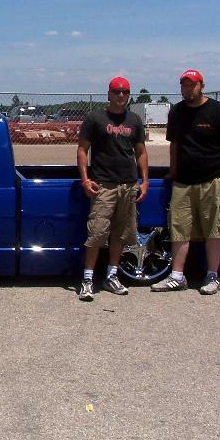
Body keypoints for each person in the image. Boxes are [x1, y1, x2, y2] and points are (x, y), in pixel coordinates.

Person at [151, 69, 220, 295]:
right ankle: (177, 276)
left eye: (192, 85)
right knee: (179, 229)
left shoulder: (218, 111)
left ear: (202, 86)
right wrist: (173, 171)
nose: (188, 89)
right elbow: (174, 144)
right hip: (183, 183)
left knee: (214, 230)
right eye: (184, 85)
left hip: (212, 180)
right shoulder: (177, 112)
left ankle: (212, 276)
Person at [76, 76, 149, 301]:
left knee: (120, 233)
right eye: (117, 91)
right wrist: (85, 180)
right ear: (108, 93)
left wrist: (145, 181)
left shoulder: (134, 120)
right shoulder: (95, 118)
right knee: (97, 233)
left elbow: (141, 152)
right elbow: (82, 150)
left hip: (128, 185)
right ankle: (87, 279)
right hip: (103, 185)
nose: (121, 95)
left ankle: (111, 275)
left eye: (125, 92)